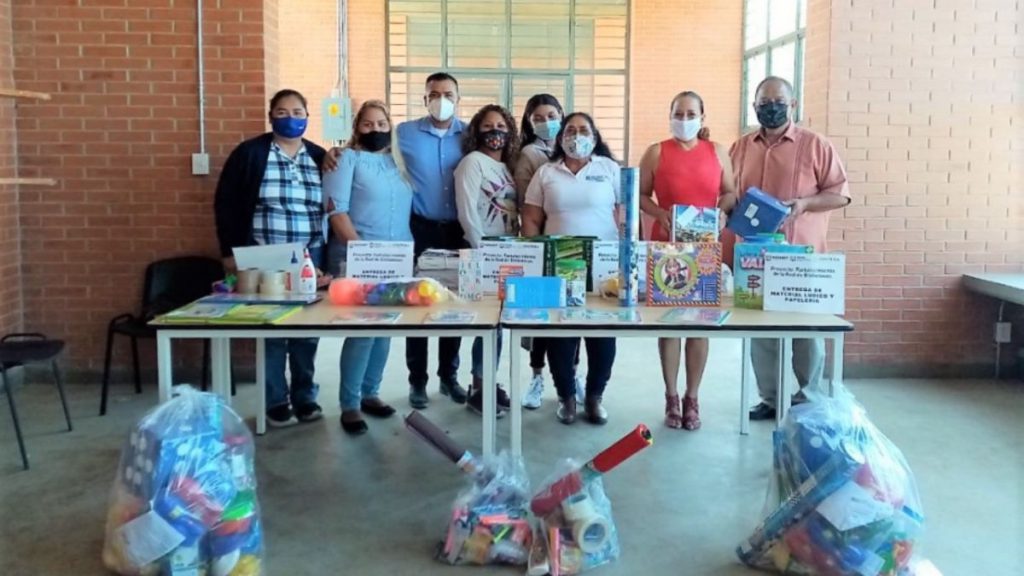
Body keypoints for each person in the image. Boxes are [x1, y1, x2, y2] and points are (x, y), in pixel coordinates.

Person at [726, 76, 851, 421]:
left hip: (801, 259)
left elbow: (840, 194)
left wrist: (805, 204)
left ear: (793, 105)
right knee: (761, 334)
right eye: (764, 103)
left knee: (806, 333)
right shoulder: (740, 148)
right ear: (754, 106)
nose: (771, 108)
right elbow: (728, 193)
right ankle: (771, 398)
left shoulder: (815, 145)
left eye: (778, 102)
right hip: (755, 260)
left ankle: (808, 398)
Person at [214, 89, 327, 428]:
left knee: (307, 329)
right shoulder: (250, 153)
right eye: (282, 112)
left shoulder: (319, 156)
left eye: (297, 112)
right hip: (265, 254)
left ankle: (305, 396)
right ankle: (276, 400)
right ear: (270, 116)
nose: (290, 118)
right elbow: (226, 203)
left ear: (307, 116)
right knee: (273, 329)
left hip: (309, 255)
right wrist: (229, 252)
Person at [638, 90, 737, 431]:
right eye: (678, 113)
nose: (684, 120)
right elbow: (640, 194)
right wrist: (659, 214)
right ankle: (671, 396)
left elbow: (729, 192)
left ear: (702, 117)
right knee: (669, 325)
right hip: (667, 247)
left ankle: (692, 397)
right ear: (670, 116)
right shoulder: (656, 152)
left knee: (699, 325)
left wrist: (722, 213)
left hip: (705, 248)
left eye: (690, 114)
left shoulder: (718, 152)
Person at [521, 112, 620, 425]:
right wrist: (537, 257)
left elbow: (625, 214)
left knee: (602, 334)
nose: (577, 136)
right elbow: (531, 218)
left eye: (584, 130)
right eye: (570, 130)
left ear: (594, 136)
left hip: (604, 267)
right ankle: (566, 397)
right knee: (561, 334)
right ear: (561, 137)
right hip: (560, 264)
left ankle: (594, 397)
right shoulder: (546, 172)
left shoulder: (609, 169)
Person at [323, 100, 413, 435]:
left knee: (385, 329)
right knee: (363, 331)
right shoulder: (345, 159)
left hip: (397, 256)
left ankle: (370, 392)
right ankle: (350, 404)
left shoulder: (396, 163)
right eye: (368, 124)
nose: (376, 129)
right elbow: (337, 211)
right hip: (359, 256)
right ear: (356, 129)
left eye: (381, 124)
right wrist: (362, 252)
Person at [397, 72, 471, 410]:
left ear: (458, 98)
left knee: (452, 304)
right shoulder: (404, 133)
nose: (442, 100)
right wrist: (337, 153)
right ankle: (417, 380)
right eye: (434, 94)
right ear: (425, 99)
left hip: (458, 230)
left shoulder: (470, 135)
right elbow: (370, 151)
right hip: (420, 228)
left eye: (448, 94)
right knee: (418, 303)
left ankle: (449, 376)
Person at [513, 94, 584, 411]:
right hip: (542, 243)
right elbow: (526, 204)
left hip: (573, 248)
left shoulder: (575, 146)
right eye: (538, 118)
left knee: (573, 314)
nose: (546, 122)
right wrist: (536, 245)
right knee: (543, 318)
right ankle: (537, 376)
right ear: (529, 123)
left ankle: (572, 374)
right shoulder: (530, 154)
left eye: (552, 116)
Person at [454, 104, 519, 417]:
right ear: (476, 131)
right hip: (480, 254)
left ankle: (488, 382)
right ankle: (479, 388)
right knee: (486, 322)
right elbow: (467, 213)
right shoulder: (471, 163)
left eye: (502, 126)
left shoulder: (505, 167)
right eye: (488, 126)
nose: (495, 132)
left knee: (499, 324)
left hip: (506, 253)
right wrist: (484, 253)